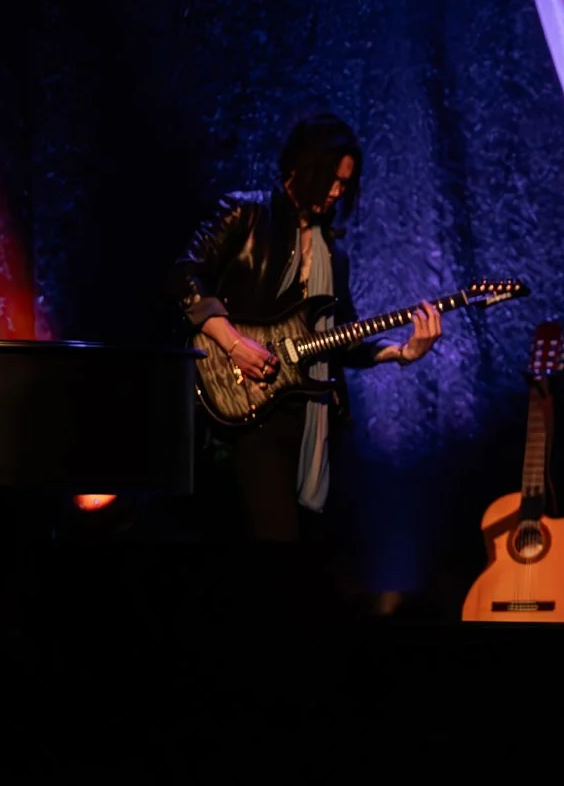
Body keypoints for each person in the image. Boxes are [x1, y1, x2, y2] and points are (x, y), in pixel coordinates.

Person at [168, 113, 443, 550]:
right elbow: (185, 273)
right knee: (274, 543)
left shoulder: (333, 255)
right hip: (245, 407)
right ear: (302, 169)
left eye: (345, 184)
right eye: (331, 179)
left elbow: (343, 341)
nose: (337, 192)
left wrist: (403, 352)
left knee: (311, 553)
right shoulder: (247, 213)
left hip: (312, 415)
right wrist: (234, 343)